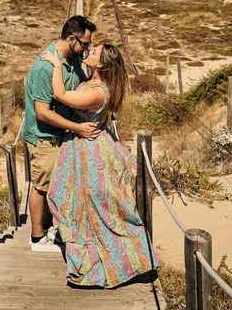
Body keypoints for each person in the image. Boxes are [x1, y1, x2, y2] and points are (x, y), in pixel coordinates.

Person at [42, 43, 157, 288]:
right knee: (70, 199)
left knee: (86, 203)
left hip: (90, 150)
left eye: (94, 52)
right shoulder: (93, 81)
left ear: (102, 64)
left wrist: (55, 66)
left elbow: (61, 95)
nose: (90, 51)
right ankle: (85, 255)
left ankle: (110, 260)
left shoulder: (98, 91)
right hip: (80, 146)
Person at [24, 15, 100, 251]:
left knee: (57, 185)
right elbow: (42, 113)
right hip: (45, 136)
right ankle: (37, 237)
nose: (87, 48)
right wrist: (77, 127)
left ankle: (52, 229)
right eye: (85, 44)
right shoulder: (44, 67)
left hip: (63, 134)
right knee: (42, 185)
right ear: (70, 38)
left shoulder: (73, 60)